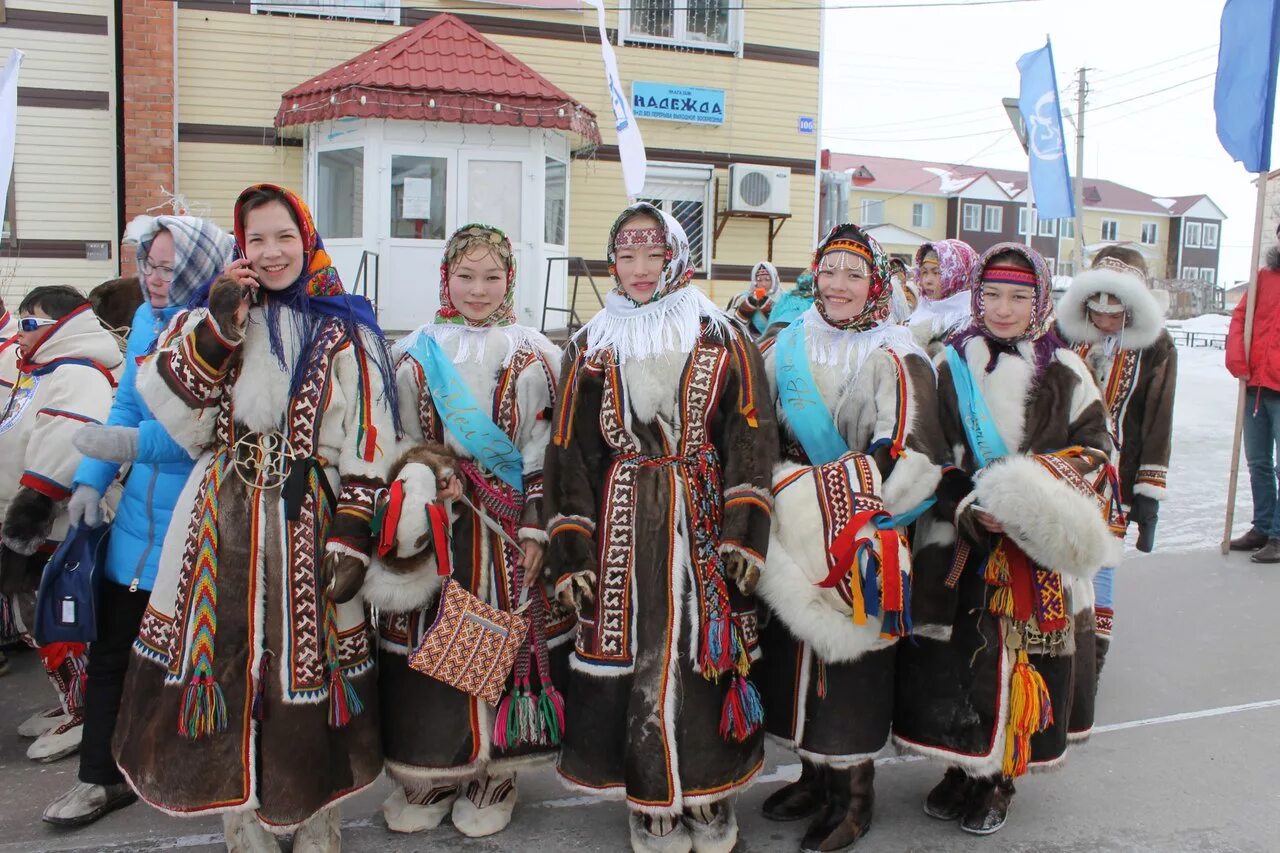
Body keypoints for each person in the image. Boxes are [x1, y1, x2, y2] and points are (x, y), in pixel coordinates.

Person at [112, 184, 398, 850]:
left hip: (309, 513)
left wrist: (354, 527)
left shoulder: (345, 325)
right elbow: (177, 410)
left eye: (283, 237)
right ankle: (241, 817)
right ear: (241, 248)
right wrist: (220, 326)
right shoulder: (212, 317)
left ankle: (315, 811)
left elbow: (370, 430)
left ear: (308, 237)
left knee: (309, 662)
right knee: (226, 661)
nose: (271, 253)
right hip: (220, 515)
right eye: (256, 240)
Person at [544, 202, 776, 853]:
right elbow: (570, 452)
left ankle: (709, 791)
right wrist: (571, 546)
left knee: (705, 651)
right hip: (623, 519)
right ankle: (652, 800)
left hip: (703, 515)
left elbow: (750, 435)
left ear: (676, 254)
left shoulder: (723, 334)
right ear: (612, 261)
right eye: (627, 255)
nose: (641, 269)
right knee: (640, 661)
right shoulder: (591, 344)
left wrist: (743, 531)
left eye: (653, 254)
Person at [894, 243, 1120, 836]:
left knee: (1017, 661)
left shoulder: (1065, 370)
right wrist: (968, 504)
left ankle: (1001, 775)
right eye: (992, 294)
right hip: (959, 539)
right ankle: (962, 763)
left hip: (1035, 549)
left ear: (1039, 300)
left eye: (1019, 297)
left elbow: (1098, 452)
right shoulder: (949, 365)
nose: (1003, 308)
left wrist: (1027, 495)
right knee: (955, 657)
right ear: (976, 295)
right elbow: (928, 451)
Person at [368, 224, 572, 838]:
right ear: (445, 278)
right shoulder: (412, 352)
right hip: (437, 522)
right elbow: (397, 439)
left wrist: (536, 529)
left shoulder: (538, 353)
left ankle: (496, 773)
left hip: (506, 529)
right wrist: (428, 476)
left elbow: (547, 451)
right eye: (465, 276)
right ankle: (434, 769)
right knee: (430, 648)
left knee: (502, 641)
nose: (478, 290)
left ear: (511, 278)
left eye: (492, 276)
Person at [754, 225, 944, 852]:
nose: (837, 285)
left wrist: (853, 512)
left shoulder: (898, 355)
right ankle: (814, 775)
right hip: (792, 528)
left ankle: (854, 796)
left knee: (852, 665)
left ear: (876, 286)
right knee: (796, 657)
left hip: (863, 532)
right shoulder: (782, 346)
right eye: (829, 271)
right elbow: (750, 426)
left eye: (853, 275)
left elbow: (919, 452)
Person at [42, 216, 235, 827]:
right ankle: (101, 779)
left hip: (196, 530)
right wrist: (89, 483)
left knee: (197, 663)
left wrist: (123, 448)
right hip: (134, 528)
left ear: (201, 269)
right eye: (148, 262)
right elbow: (127, 402)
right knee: (111, 656)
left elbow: (200, 432)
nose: (153, 277)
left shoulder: (224, 332)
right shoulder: (151, 322)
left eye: (168, 267)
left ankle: (204, 776)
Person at [0, 286, 125, 763]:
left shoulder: (76, 373)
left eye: (30, 325)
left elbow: (62, 447)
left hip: (54, 527)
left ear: (61, 325)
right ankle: (68, 701)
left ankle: (85, 709)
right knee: (38, 622)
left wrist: (25, 521)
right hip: (37, 525)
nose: (21, 335)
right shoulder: (44, 372)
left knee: (57, 621)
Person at [1056, 246, 1175, 685]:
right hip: (1066, 472)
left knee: (1102, 565)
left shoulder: (1156, 346)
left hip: (1117, 479)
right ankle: (1056, 649)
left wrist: (1148, 495)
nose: (1103, 320)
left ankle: (1092, 657)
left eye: (1114, 312)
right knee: (1063, 562)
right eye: (1096, 308)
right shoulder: (1065, 335)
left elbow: (1159, 420)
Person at [1227, 226, 1280, 561]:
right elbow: (1240, 318)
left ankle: (1278, 534)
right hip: (1256, 386)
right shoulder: (1263, 277)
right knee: (1258, 462)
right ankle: (1262, 526)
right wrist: (1238, 360)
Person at [907, 239, 980, 356]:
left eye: (936, 273)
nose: (927, 281)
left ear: (959, 275)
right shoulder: (915, 316)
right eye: (924, 272)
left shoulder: (969, 327)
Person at [726, 261, 782, 339]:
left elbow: (788, 327)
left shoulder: (784, 300)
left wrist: (768, 307)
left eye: (767, 280)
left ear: (774, 280)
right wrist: (746, 307)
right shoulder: (741, 298)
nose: (763, 284)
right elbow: (731, 327)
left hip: (776, 345)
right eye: (759, 280)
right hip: (749, 345)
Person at [762, 271, 817, 340]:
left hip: (775, 327)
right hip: (797, 329)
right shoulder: (816, 300)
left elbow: (774, 314)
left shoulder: (788, 295)